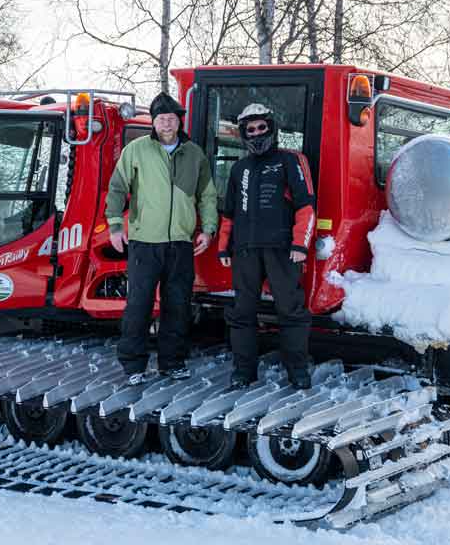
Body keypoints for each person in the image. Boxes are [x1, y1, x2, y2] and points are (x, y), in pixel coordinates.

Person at [105, 92, 218, 384]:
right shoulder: (137, 150)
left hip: (181, 243)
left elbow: (207, 195)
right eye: (161, 118)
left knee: (178, 305)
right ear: (153, 122)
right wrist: (115, 226)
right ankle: (133, 366)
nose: (167, 123)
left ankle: (172, 362)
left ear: (179, 121)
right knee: (139, 304)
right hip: (144, 242)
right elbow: (117, 188)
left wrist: (207, 228)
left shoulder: (194, 154)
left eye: (172, 118)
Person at [217, 103, 316, 390]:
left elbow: (306, 205)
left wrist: (300, 244)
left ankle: (297, 371)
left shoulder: (291, 161)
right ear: (244, 134)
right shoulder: (239, 168)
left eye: (261, 127)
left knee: (291, 310)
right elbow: (229, 213)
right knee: (242, 312)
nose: (257, 133)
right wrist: (224, 247)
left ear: (270, 129)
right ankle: (243, 371)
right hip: (245, 250)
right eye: (251, 129)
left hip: (282, 249)